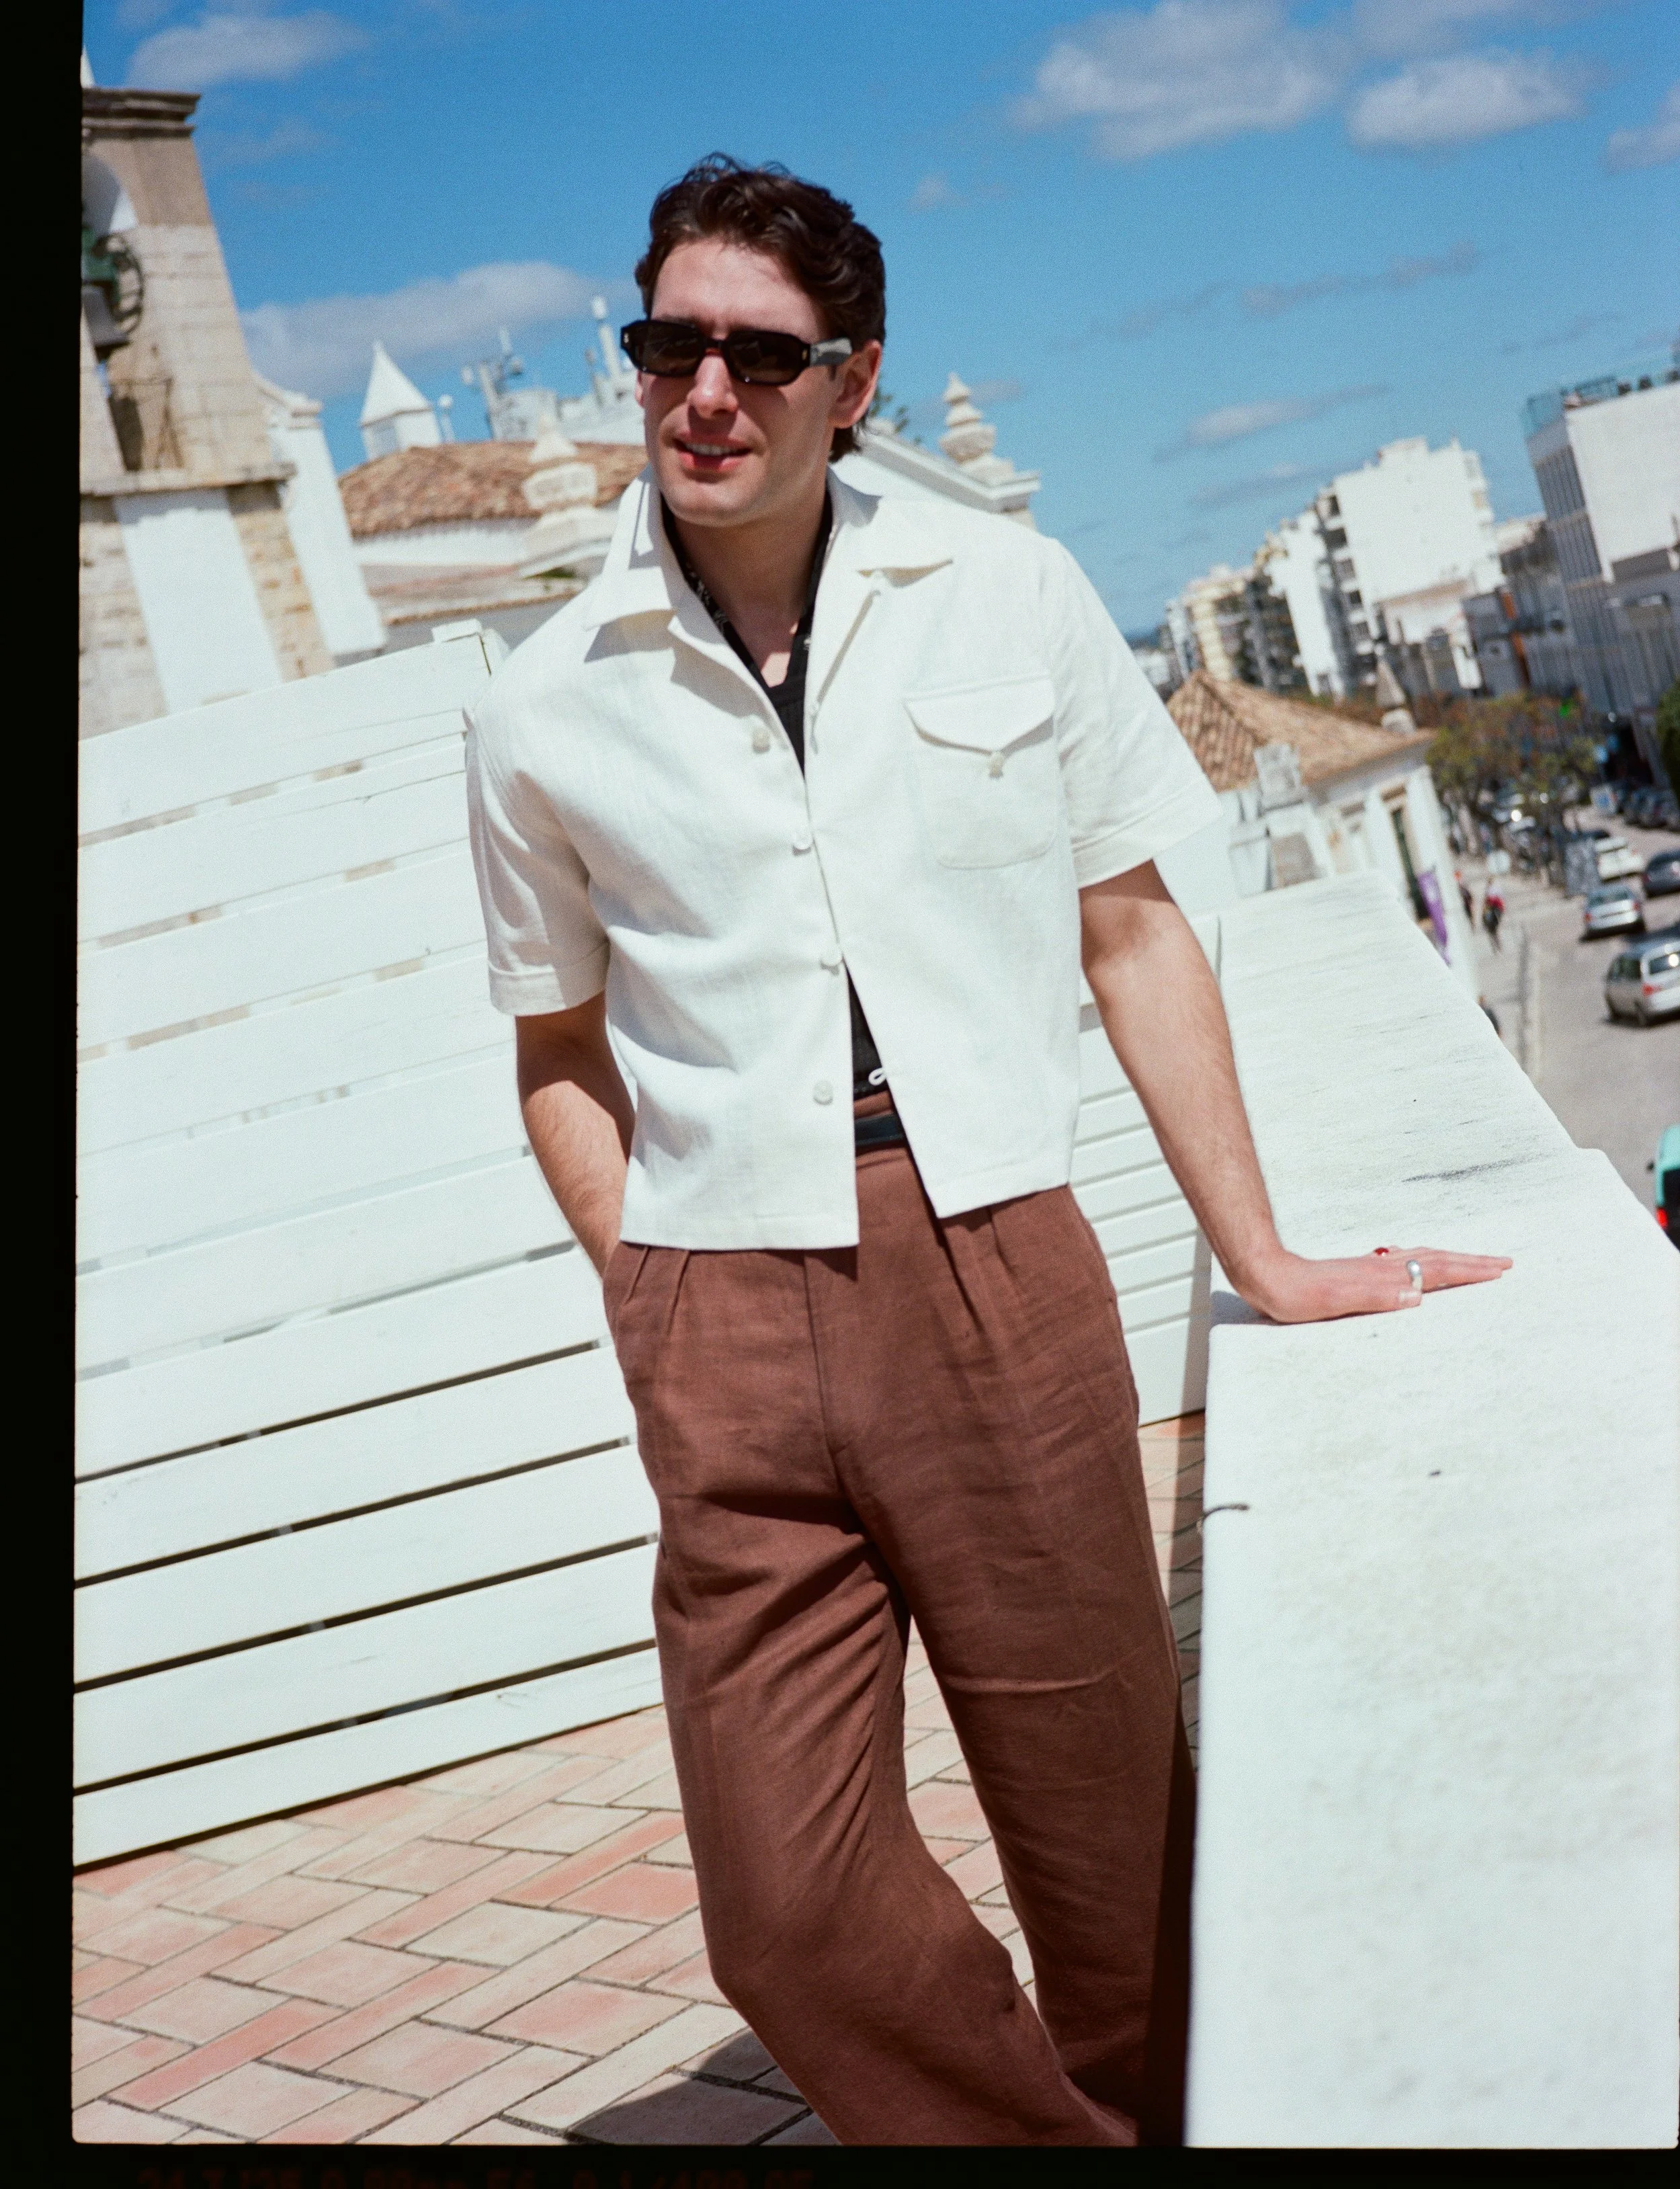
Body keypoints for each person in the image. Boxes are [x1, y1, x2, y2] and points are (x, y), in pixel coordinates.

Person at [464, 155, 1512, 2148]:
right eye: (664, 340)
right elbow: (553, 1042)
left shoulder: (1005, 591)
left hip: (987, 1265)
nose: (701, 389)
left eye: (756, 354)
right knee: (784, 1917)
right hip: (722, 1305)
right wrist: (647, 1289)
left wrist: (1265, 1252)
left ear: (849, 380)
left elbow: (1129, 927)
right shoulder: (536, 706)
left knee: (1115, 1872)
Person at [1483, 879, 1505, 952]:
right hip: (1493, 910)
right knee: (1494, 930)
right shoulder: (1490, 891)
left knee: (1494, 930)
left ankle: (1498, 945)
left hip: (1495, 909)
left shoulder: (1493, 890)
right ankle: (1498, 945)